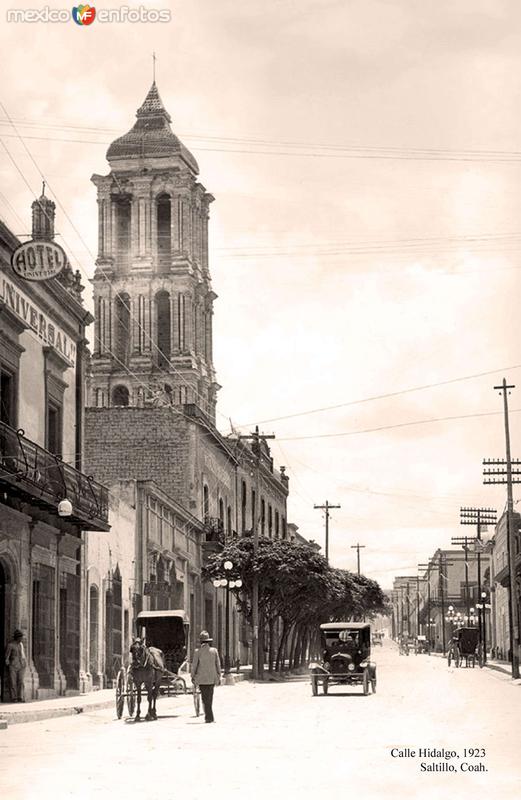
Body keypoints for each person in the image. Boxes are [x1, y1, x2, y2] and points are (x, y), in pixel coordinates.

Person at [191, 631, 221, 723]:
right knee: (210, 697)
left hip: (202, 679)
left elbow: (194, 666)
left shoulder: (197, 652)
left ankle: (209, 717)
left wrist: (193, 677)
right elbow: (218, 665)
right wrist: (218, 676)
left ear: (201, 642)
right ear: (208, 641)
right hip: (212, 678)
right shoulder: (214, 651)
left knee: (205, 698)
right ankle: (209, 717)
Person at [5, 629, 27, 703]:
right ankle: (14, 697)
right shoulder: (10, 645)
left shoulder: (21, 645)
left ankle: (20, 696)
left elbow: (23, 655)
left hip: (21, 665)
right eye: (21, 637)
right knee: (13, 682)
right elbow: (7, 656)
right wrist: (7, 663)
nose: (22, 639)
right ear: (17, 637)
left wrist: (24, 663)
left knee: (21, 681)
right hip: (13, 665)